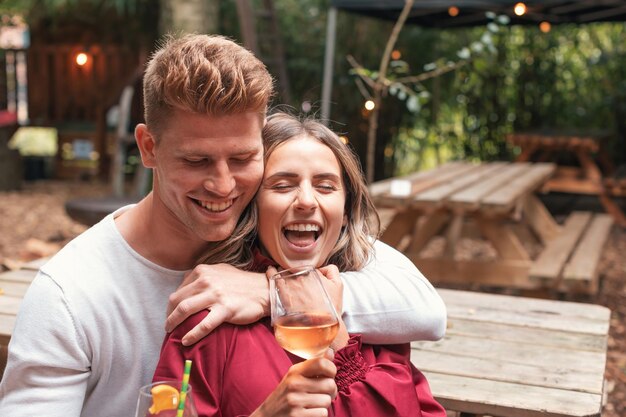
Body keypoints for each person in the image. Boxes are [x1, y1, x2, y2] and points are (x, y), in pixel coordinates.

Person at [0, 35, 445, 417]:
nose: (224, 185)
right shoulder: (68, 295)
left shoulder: (282, 241)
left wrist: (272, 292)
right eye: (197, 161)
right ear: (148, 147)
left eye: (243, 158)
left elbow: (427, 309)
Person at [153, 112, 446, 417]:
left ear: (345, 211)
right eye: (282, 186)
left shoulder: (377, 325)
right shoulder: (209, 315)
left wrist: (345, 353)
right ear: (252, 206)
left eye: (325, 186)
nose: (306, 201)